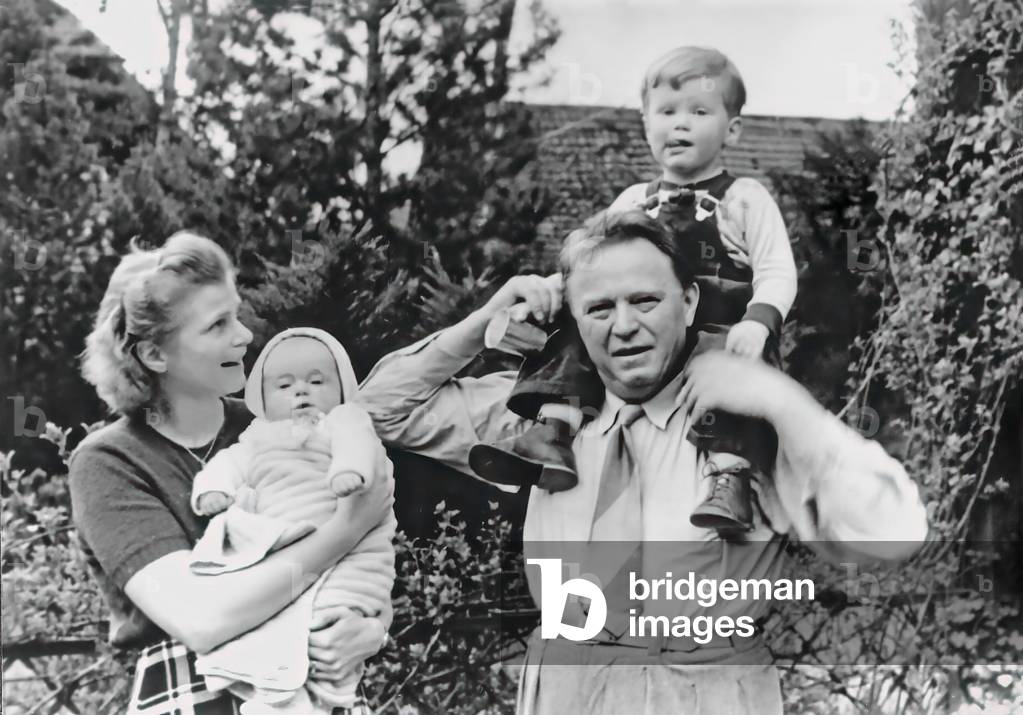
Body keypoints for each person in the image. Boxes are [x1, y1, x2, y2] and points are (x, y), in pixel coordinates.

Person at [356, 209, 928, 714]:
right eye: (599, 307)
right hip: (567, 688)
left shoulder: (745, 422)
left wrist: (785, 405)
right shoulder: (542, 416)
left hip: (706, 691)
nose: (624, 325)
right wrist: (481, 326)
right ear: (575, 320)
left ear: (690, 301)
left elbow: (893, 536)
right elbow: (378, 411)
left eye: (645, 300)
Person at [470, 46, 798, 536]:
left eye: (699, 112)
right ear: (645, 123)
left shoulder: (745, 198)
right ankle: (553, 431)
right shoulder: (632, 201)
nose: (679, 125)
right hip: (651, 324)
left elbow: (777, 269)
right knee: (582, 328)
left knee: (733, 379)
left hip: (719, 324)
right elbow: (593, 265)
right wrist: (554, 292)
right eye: (666, 112)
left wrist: (759, 321)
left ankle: (728, 478)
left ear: (733, 130)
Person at [68, 232, 393, 715]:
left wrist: (370, 627)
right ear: (156, 355)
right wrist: (347, 528)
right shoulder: (110, 461)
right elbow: (201, 618)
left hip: (315, 682)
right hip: (192, 690)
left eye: (236, 315)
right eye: (218, 324)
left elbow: (373, 550)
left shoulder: (274, 427)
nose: (244, 335)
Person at [189, 327, 397, 714]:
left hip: (347, 560)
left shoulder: (344, 420)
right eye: (284, 385)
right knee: (274, 625)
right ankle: (278, 699)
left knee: (327, 628)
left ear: (342, 387)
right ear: (262, 399)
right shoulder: (256, 438)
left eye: (317, 381)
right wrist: (214, 489)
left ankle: (311, 699)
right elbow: (229, 464)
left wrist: (348, 471)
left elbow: (358, 446)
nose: (301, 391)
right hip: (285, 552)